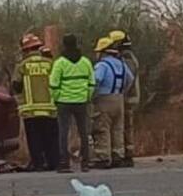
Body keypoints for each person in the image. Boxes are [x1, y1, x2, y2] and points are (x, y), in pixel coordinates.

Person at [13, 33, 60, 171]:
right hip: (50, 109)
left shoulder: (22, 65)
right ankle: (54, 162)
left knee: (35, 140)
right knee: (51, 138)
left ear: (26, 50)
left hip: (31, 111)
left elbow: (16, 85)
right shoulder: (50, 64)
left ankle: (38, 164)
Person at [50, 33, 95, 172]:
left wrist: (56, 98)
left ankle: (64, 162)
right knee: (83, 131)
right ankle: (85, 162)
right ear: (76, 44)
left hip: (63, 102)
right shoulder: (86, 62)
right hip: (81, 101)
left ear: (64, 45)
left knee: (64, 132)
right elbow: (92, 83)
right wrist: (87, 96)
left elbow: (53, 84)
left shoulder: (60, 63)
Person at [91, 36, 134, 168]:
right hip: (119, 98)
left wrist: (93, 94)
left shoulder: (102, 65)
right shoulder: (121, 64)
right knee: (118, 128)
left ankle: (103, 157)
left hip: (104, 99)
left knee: (102, 128)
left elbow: (96, 80)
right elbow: (130, 79)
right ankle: (118, 155)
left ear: (103, 52)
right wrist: (122, 91)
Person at [108, 29, 140, 166]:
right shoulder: (126, 57)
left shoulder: (127, 58)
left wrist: (119, 92)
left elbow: (128, 79)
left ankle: (127, 155)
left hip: (127, 98)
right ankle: (126, 153)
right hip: (126, 97)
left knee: (125, 126)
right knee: (124, 125)